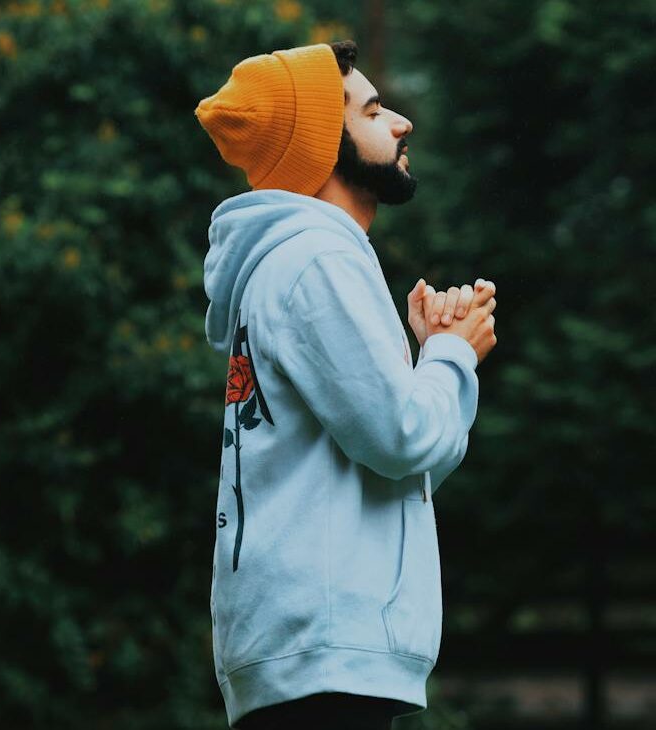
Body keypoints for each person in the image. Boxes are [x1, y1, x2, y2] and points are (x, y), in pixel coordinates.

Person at [194, 39, 497, 729]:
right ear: (320, 147)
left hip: (313, 649)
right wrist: (450, 356)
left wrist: (435, 357)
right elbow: (399, 439)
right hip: (323, 652)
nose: (399, 123)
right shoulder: (316, 259)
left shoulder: (301, 261)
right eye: (370, 110)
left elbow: (404, 470)